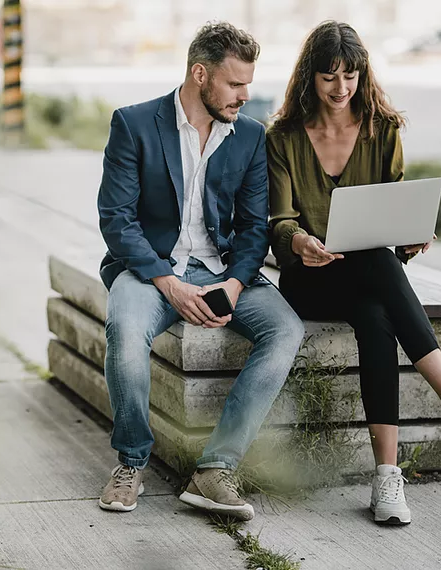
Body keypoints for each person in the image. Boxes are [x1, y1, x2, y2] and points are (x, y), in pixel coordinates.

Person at [267, 20, 441, 526]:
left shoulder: (383, 129)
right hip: (308, 280)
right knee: (375, 268)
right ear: (309, 78)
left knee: (375, 311)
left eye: (351, 77)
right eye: (329, 77)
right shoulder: (284, 137)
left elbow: (393, 212)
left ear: (363, 75)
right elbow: (279, 221)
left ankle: (386, 479)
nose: (341, 89)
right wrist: (299, 241)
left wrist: (412, 236)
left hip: (370, 277)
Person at [97, 21, 304, 521]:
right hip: (152, 269)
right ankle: (131, 462)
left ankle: (215, 469)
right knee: (125, 328)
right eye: (235, 84)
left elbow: (255, 228)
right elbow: (117, 220)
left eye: (247, 83)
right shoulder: (135, 124)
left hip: (222, 270)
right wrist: (168, 284)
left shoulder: (251, 136)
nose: (244, 95)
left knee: (286, 330)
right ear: (199, 74)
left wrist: (232, 285)